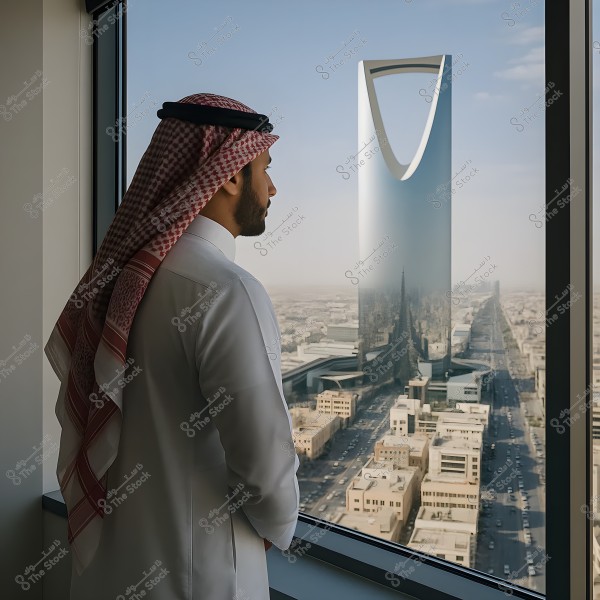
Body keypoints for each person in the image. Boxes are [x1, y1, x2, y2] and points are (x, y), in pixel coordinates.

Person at [44, 93, 299, 600]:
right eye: (264, 168)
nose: (273, 187)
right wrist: (279, 526)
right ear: (229, 175)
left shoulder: (123, 277)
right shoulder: (228, 291)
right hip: (199, 577)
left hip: (107, 569)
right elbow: (267, 480)